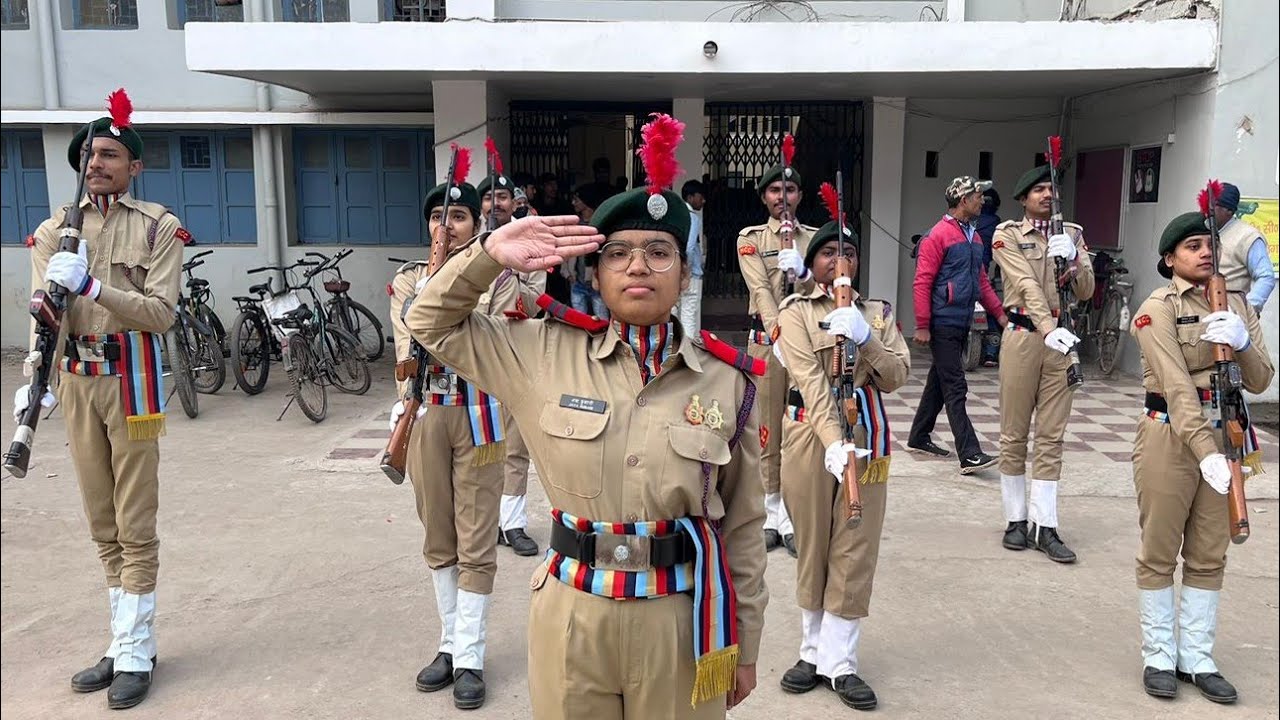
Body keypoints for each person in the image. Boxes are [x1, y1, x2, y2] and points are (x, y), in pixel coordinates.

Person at [405, 114, 768, 719]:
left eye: (659, 252)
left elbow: (746, 527)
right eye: (618, 254)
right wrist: (488, 255)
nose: (638, 266)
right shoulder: (538, 351)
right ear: (594, 276)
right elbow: (429, 322)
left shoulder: (728, 381)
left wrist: (745, 644)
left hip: (681, 618)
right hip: (572, 612)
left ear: (684, 274)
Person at [15, 91, 184, 710]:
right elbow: (44, 317)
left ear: (134, 166)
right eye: (91, 155)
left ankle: (136, 652)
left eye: (111, 155)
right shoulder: (52, 229)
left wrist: (92, 284)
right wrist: (36, 373)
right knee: (102, 522)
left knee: (135, 520)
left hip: (132, 381)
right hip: (77, 384)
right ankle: (123, 639)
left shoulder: (158, 227)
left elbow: (161, 314)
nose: (98, 164)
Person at [1128, 211, 1273, 703]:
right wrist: (1204, 450)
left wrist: (1244, 340)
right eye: (1191, 246)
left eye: (1208, 244)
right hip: (1172, 436)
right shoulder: (1156, 309)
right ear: (1170, 259)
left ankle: (1197, 657)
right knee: (1160, 551)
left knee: (1210, 553)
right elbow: (1174, 387)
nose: (1205, 252)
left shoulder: (1232, 303)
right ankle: (1159, 655)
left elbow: (1260, 380)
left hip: (1225, 433)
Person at [775, 217, 910, 710]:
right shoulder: (795, 313)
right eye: (828, 252)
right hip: (811, 434)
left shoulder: (878, 314)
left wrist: (865, 338)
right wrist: (833, 442)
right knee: (812, 542)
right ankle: (811, 651)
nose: (839, 262)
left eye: (848, 253)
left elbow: (896, 374)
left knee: (855, 545)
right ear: (812, 263)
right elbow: (810, 381)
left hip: (867, 436)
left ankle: (841, 663)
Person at [386, 177, 507, 709]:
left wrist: (454, 282)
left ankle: (471, 655)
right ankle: (449, 644)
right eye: (438, 217)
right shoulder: (408, 279)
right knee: (438, 533)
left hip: (479, 412)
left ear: (476, 226)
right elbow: (411, 336)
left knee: (476, 535)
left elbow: (485, 336)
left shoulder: (498, 277)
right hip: (427, 412)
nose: (445, 226)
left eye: (457, 217)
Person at [991, 165, 1095, 563]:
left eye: (1051, 188)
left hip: (1062, 341)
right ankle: (1015, 519)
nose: (1047, 195)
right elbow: (1026, 286)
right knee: (1014, 433)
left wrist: (1075, 261)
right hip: (1024, 336)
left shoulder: (1072, 233)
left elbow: (1085, 291)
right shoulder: (1008, 234)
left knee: (1052, 436)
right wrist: (1047, 326)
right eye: (1038, 190)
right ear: (1023, 198)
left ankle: (1045, 524)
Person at [737, 159, 817, 556]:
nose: (781, 198)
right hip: (767, 343)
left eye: (788, 191)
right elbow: (761, 291)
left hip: (806, 346)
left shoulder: (816, 238)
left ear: (799, 196)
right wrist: (778, 333)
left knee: (800, 429)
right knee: (767, 429)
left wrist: (803, 272)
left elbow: (824, 288)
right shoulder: (749, 238)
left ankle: (792, 514)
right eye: (774, 191)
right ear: (764, 197)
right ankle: (770, 515)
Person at [907, 176, 1006, 474]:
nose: (982, 200)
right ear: (963, 200)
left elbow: (982, 282)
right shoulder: (938, 236)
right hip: (942, 323)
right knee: (955, 386)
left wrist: (1000, 315)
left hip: (962, 321)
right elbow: (922, 282)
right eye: (978, 195)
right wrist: (922, 325)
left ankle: (919, 435)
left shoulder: (974, 238)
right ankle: (970, 453)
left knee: (940, 381)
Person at [479, 169, 548, 557]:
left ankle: (514, 523)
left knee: (515, 446)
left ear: (514, 203)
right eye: (489, 199)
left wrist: (506, 274)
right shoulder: (465, 250)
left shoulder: (530, 250)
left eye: (502, 198)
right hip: (471, 360)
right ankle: (485, 521)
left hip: (515, 356)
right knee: (475, 448)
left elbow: (536, 299)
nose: (496, 205)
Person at [1211, 182, 1275, 314]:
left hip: (1232, 321)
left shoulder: (1247, 236)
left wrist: (1246, 312)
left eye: (1213, 205)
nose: (1207, 209)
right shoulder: (1203, 230)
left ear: (1229, 210)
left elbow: (1266, 277)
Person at [975, 187, 1004, 366]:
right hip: (983, 273)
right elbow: (1000, 252)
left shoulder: (967, 222)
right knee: (992, 310)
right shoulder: (996, 223)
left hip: (963, 277)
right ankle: (991, 353)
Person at [676, 179, 708, 336]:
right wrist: (685, 273)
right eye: (700, 196)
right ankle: (688, 355)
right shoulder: (693, 218)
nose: (703, 200)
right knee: (689, 316)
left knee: (674, 315)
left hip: (673, 273)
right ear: (690, 197)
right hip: (690, 274)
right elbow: (689, 248)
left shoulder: (677, 215)